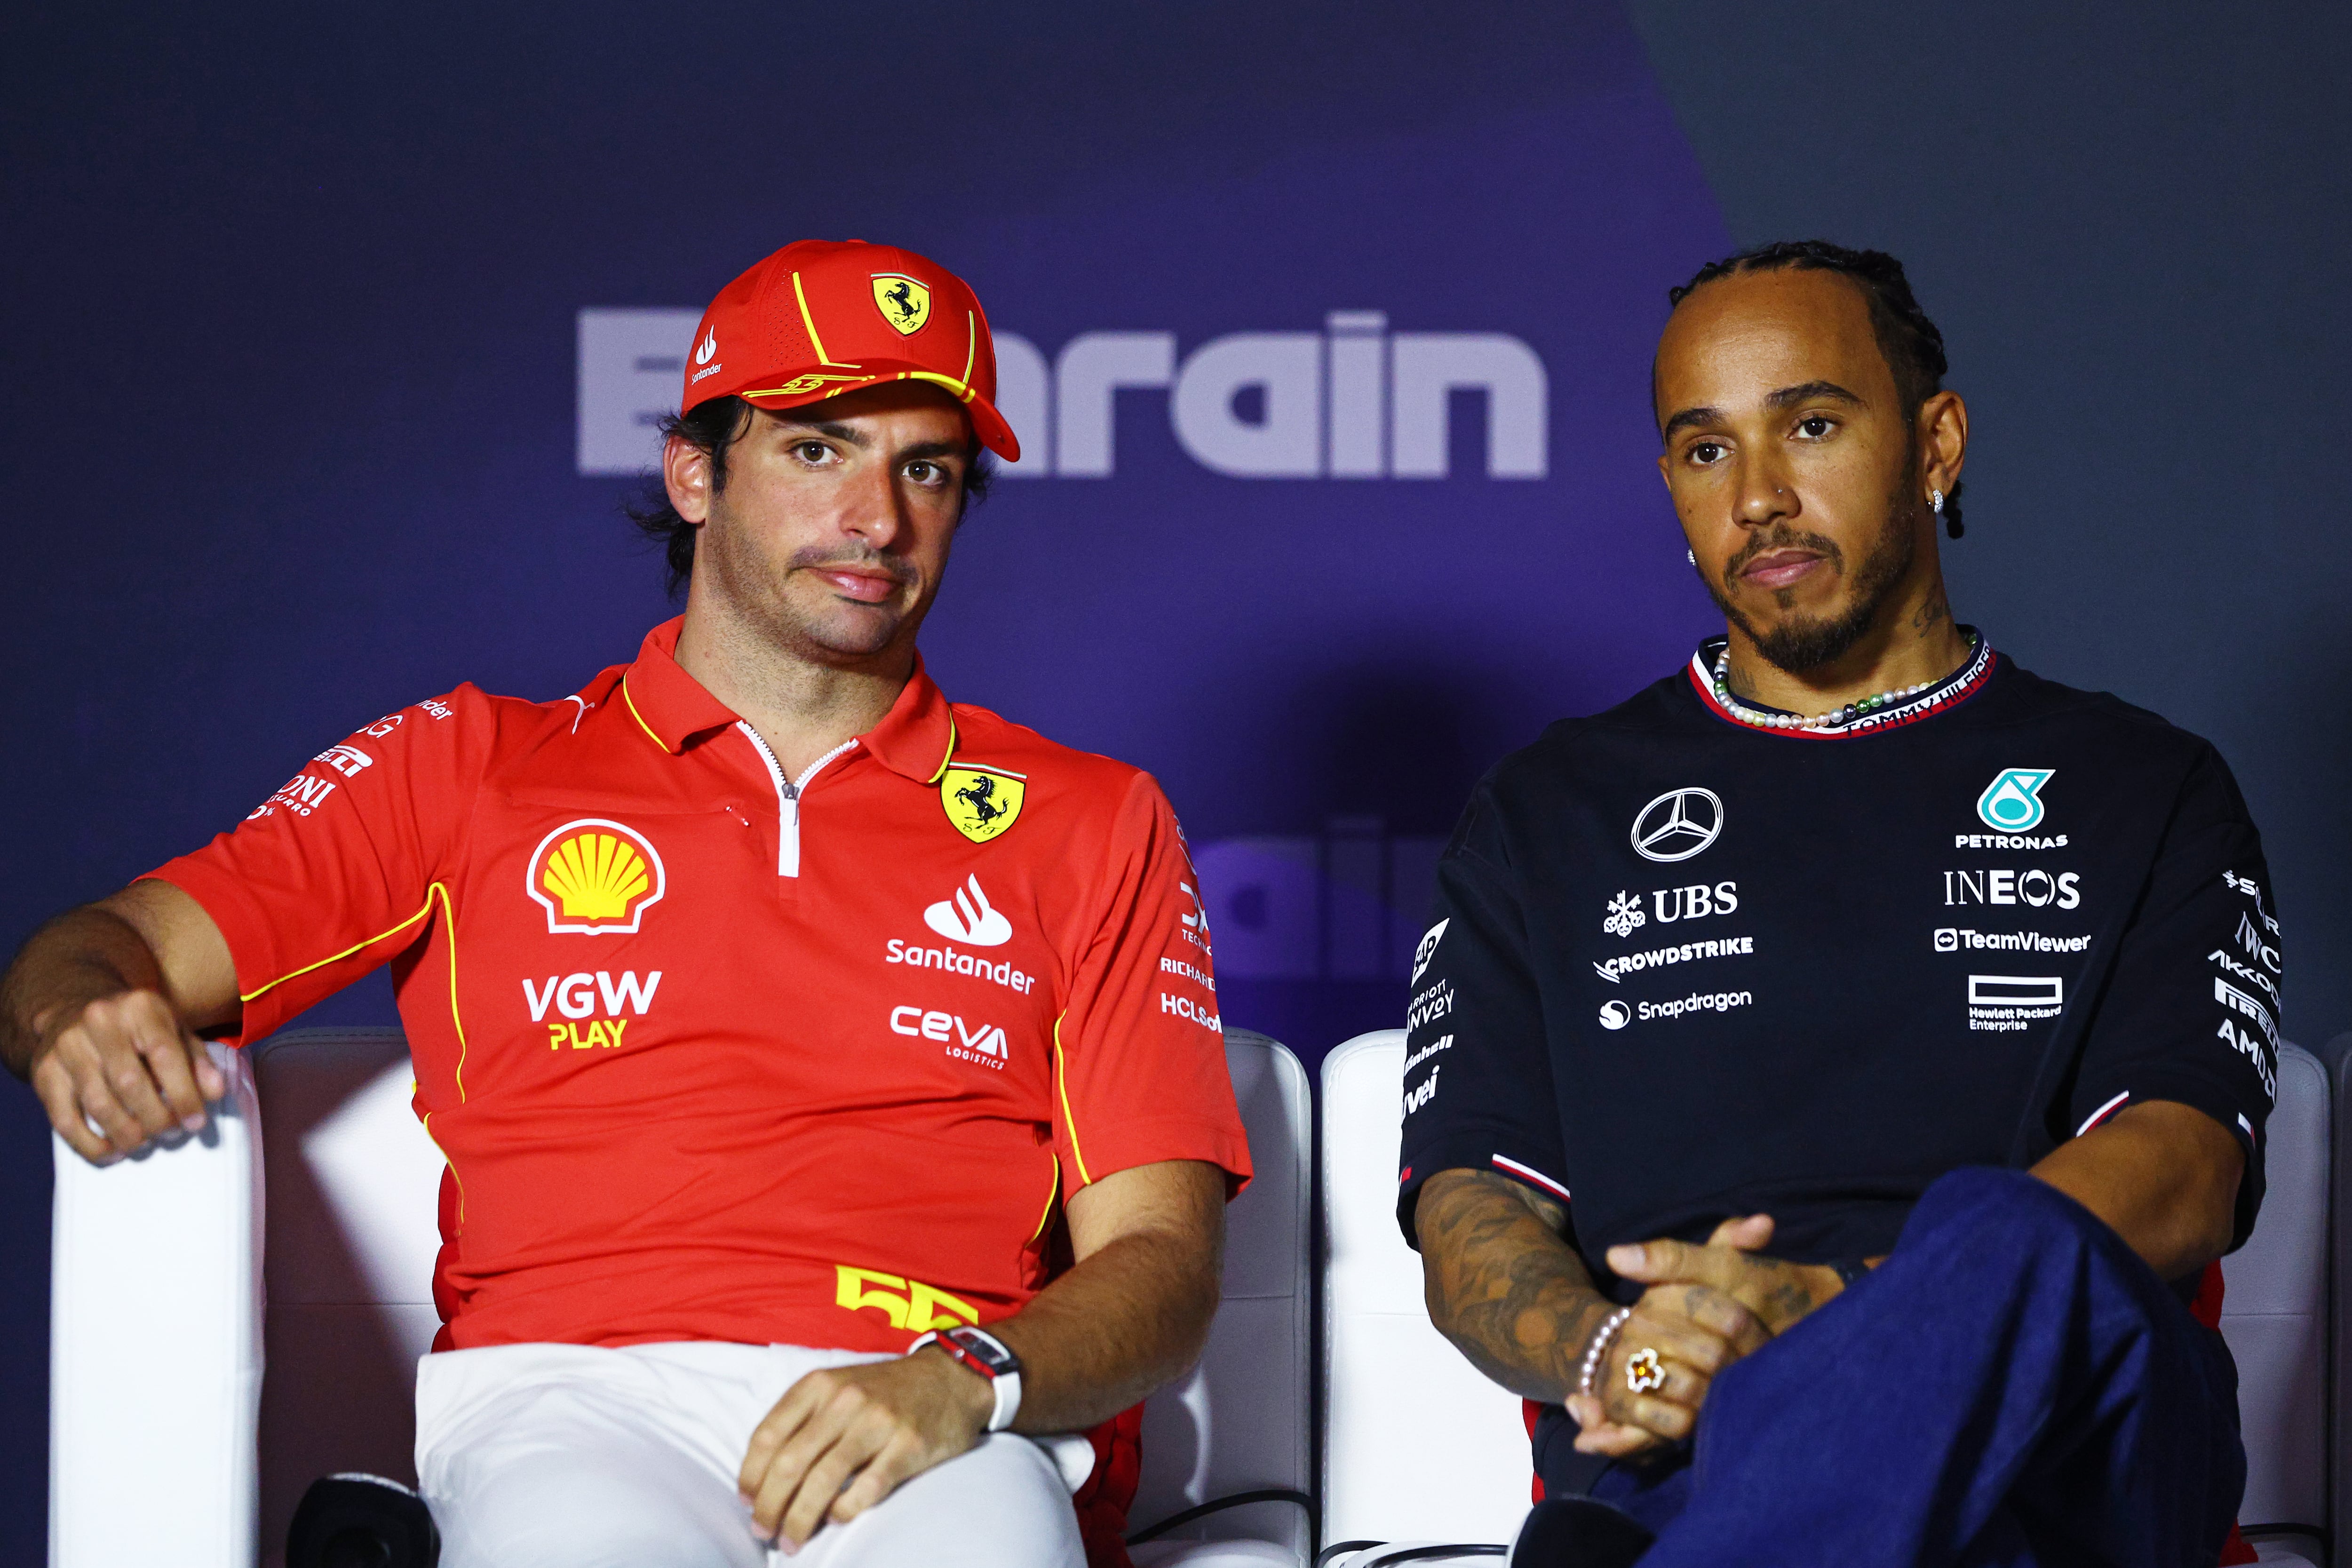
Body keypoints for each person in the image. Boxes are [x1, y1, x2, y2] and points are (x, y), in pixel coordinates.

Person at [0, 238, 1250, 1568]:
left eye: (925, 468)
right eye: (819, 451)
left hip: (931, 1402)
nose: (879, 520)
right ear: (694, 473)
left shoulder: (1090, 816)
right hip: (574, 1394)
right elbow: (107, 945)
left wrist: (965, 1379)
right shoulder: (472, 763)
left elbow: (1163, 1263)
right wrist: (75, 1009)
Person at [1398, 240, 2279, 1568]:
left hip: (2073, 1457)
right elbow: (1472, 1210)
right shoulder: (1547, 813)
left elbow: (2184, 1165)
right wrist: (1615, 1347)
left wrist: (1853, 1317)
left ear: (1937, 444)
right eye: (1705, 451)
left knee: (2005, 1231)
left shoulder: (2145, 788)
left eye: (1810, 425)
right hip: (1688, 1446)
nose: (1757, 497)